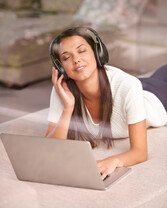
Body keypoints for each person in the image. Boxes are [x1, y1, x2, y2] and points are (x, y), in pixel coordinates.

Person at [45, 27, 167, 180]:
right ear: (60, 67)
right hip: (135, 87)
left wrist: (113, 161)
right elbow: (50, 148)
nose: (76, 59)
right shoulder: (62, 90)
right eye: (66, 57)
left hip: (158, 98)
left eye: (81, 51)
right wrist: (68, 108)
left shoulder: (127, 85)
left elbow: (140, 152)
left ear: (98, 53)